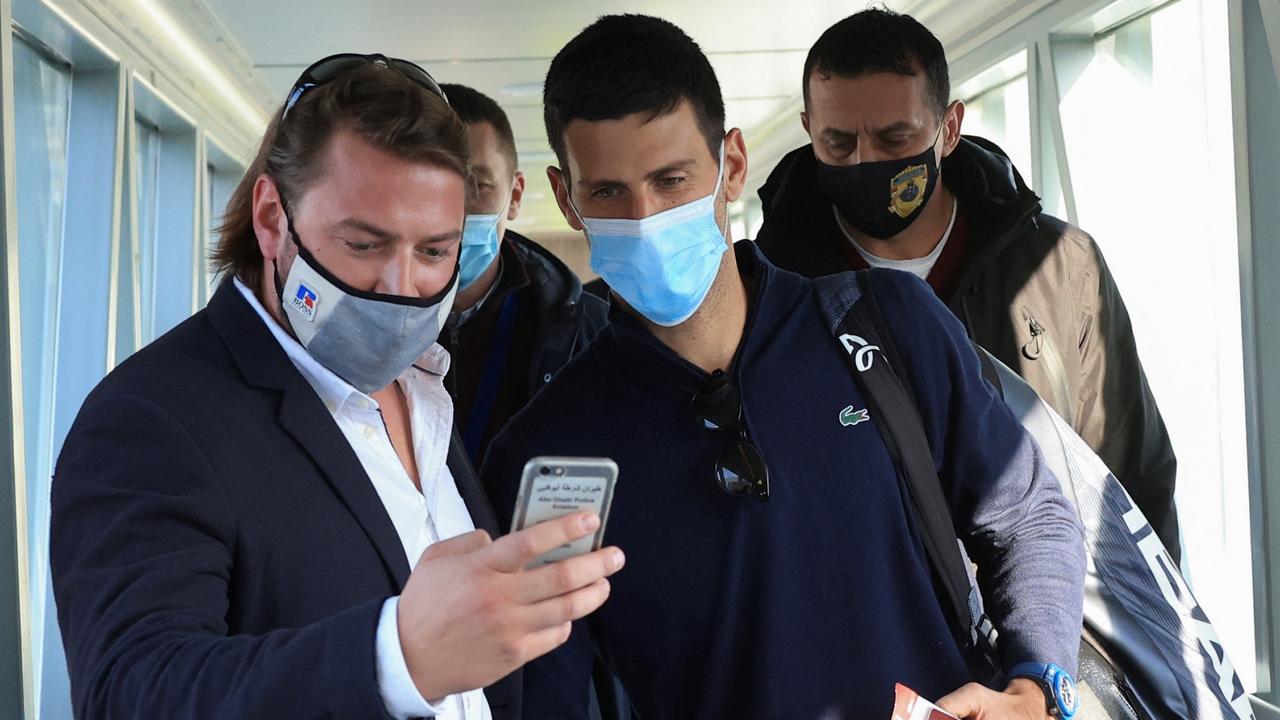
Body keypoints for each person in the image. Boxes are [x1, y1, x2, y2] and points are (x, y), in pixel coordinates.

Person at [481, 15, 1086, 720]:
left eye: (673, 179)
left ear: (731, 165)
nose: (645, 218)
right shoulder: (546, 455)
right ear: (565, 197)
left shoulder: (887, 325)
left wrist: (1037, 691)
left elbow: (1030, 517)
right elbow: (543, 693)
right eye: (609, 193)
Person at [49, 54, 623, 720]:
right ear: (271, 218)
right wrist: (397, 656)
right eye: (363, 244)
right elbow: (133, 693)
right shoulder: (151, 417)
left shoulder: (425, 391)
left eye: (435, 252)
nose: (401, 290)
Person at [754, 8, 1180, 561]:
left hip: (1052, 613)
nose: (865, 162)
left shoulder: (1060, 268)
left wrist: (1159, 637)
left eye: (894, 138)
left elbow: (1131, 475)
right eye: (838, 144)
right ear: (810, 130)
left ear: (948, 129)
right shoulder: (771, 294)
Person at [436, 83, 607, 469]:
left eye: (476, 184)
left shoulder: (587, 331)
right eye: (432, 185)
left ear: (514, 196)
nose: (454, 210)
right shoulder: (360, 320)